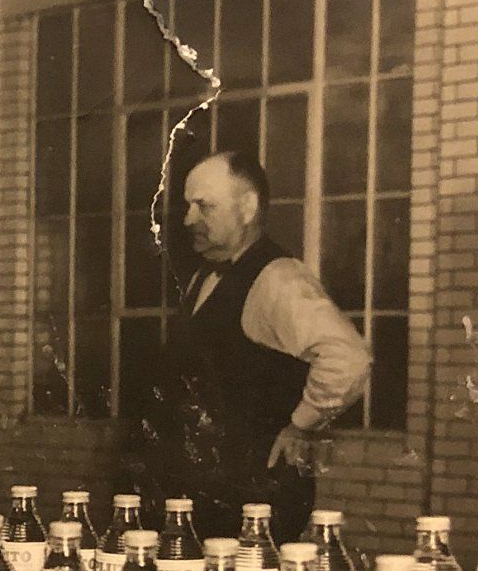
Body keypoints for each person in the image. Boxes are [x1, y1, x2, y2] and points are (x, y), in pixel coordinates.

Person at [132, 149, 372, 542]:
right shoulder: (202, 278)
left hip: (253, 500)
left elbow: (348, 356)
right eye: (188, 206)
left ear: (247, 208)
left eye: (204, 206)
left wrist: (302, 424)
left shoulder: (279, 279)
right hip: (202, 492)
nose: (189, 219)